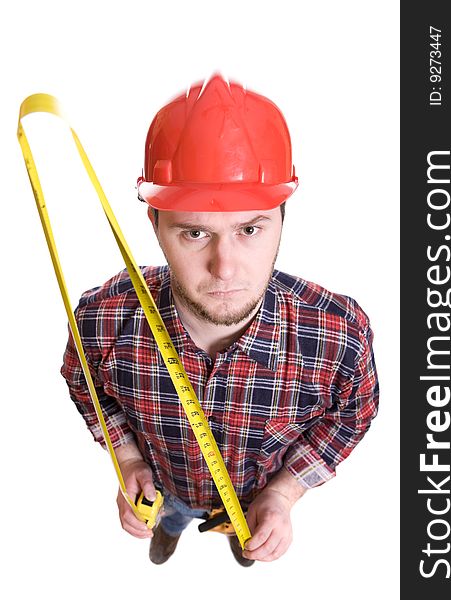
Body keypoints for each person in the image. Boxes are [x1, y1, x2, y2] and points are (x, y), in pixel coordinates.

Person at [61, 73, 379, 567]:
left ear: (281, 217)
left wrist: (283, 494)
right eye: (194, 233)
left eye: (250, 228)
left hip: (254, 501)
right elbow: (84, 383)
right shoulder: (101, 320)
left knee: (246, 535)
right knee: (170, 518)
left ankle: (238, 538)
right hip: (163, 487)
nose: (224, 267)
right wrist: (126, 458)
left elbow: (352, 415)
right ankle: (169, 530)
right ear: (156, 225)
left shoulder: (340, 337)